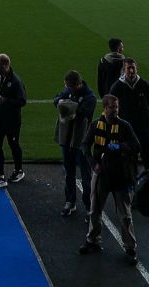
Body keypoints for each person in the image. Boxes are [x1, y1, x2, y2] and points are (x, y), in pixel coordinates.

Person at [78, 92, 141, 264]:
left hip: (120, 175)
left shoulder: (124, 126)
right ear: (104, 108)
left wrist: (120, 146)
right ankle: (92, 240)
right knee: (94, 210)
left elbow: (136, 145)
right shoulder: (95, 125)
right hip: (102, 175)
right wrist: (93, 163)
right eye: (111, 107)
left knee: (125, 215)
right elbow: (84, 145)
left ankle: (130, 247)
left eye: (116, 107)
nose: (114, 110)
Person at [54, 70, 96, 218]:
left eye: (69, 86)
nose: (67, 89)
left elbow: (83, 113)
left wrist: (68, 105)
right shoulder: (69, 91)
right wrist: (60, 101)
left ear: (77, 84)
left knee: (86, 176)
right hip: (66, 140)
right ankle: (70, 201)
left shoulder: (90, 98)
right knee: (68, 173)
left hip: (80, 142)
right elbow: (57, 98)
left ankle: (89, 206)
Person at [0, 52, 27, 189]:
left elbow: (22, 100)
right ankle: (1, 176)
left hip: (11, 121)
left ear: (5, 65)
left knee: (13, 144)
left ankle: (19, 170)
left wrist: (5, 100)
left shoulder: (15, 81)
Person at [112, 58, 149, 166]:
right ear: (123, 70)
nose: (131, 71)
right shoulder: (117, 87)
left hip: (143, 128)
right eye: (128, 68)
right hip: (126, 130)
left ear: (136, 69)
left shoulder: (144, 85)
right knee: (128, 161)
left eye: (133, 68)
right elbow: (110, 109)